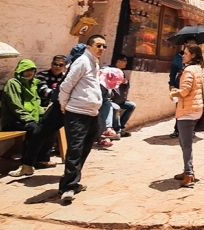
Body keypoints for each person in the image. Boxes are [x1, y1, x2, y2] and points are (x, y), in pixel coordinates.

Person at [9, 44, 83, 178]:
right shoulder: (17, 83)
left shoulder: (80, 68)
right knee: (42, 132)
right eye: (57, 64)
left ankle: (71, 178)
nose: (60, 67)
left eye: (63, 64)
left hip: (71, 107)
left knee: (75, 142)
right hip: (66, 106)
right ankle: (30, 164)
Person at [58, 34, 106, 203]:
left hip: (91, 113)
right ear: (88, 46)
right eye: (98, 45)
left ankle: (70, 181)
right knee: (75, 150)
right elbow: (66, 85)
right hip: (77, 113)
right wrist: (63, 104)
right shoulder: (82, 62)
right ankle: (68, 187)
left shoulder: (94, 62)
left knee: (84, 149)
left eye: (103, 46)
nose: (101, 49)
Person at [169, 44, 204, 188]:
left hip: (187, 110)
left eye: (185, 53)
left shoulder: (189, 70)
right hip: (196, 108)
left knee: (186, 144)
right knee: (185, 143)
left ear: (192, 55)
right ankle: (187, 170)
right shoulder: (199, 69)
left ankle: (189, 173)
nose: (183, 56)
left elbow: (185, 91)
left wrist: (173, 92)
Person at [1, 59, 53, 166]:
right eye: (27, 70)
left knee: (50, 126)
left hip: (30, 118)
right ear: (21, 71)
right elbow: (15, 106)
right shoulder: (13, 84)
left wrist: (44, 112)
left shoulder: (32, 84)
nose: (30, 73)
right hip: (14, 120)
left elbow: (35, 103)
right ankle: (28, 162)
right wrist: (30, 119)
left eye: (32, 70)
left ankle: (42, 159)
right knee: (35, 129)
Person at [110, 55, 136, 137]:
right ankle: (117, 130)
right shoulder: (110, 70)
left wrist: (126, 82)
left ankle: (121, 126)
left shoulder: (122, 72)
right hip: (112, 100)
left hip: (121, 100)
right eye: (124, 61)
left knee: (131, 105)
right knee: (116, 108)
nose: (126, 63)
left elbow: (127, 86)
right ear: (118, 61)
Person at [168, 44, 185, 138]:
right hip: (179, 86)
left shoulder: (197, 59)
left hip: (191, 88)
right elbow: (173, 72)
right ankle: (177, 129)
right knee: (179, 108)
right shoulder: (178, 58)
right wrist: (171, 84)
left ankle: (191, 129)